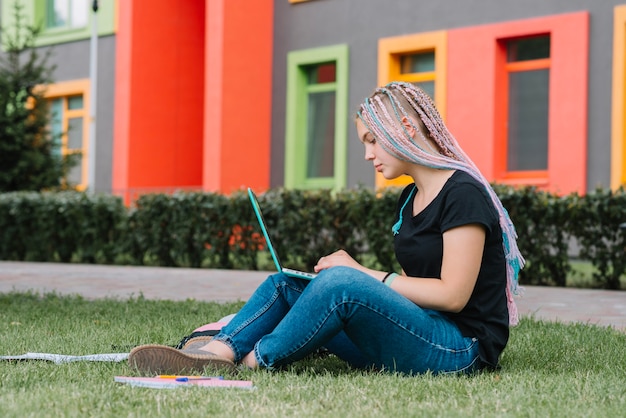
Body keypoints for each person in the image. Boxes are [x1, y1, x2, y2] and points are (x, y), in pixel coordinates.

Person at [128, 81, 524, 376]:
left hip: (459, 350)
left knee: (341, 286)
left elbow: (453, 296)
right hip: (420, 333)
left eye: (372, 141)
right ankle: (217, 352)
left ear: (404, 126)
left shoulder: (463, 194)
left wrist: (361, 275)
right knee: (287, 285)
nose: (369, 154)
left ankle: (255, 360)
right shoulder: (411, 197)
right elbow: (413, 289)